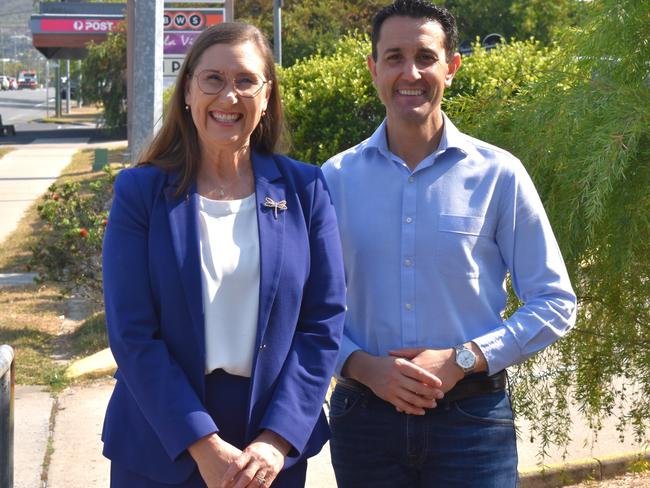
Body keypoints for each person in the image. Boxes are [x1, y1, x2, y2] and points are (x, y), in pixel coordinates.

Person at [322, 1, 577, 486]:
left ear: (452, 67)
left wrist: (464, 358)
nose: (409, 72)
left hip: (472, 424)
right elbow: (307, 306)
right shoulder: (334, 179)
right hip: (363, 422)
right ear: (373, 68)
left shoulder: (500, 175)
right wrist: (361, 365)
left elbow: (554, 302)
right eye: (394, 57)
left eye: (425, 56)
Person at [101, 22, 346, 488]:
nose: (228, 96)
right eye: (212, 79)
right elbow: (132, 333)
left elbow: (322, 323)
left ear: (267, 95)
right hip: (161, 440)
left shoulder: (306, 190)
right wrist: (202, 444)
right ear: (189, 91)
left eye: (245, 81)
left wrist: (278, 439)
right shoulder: (140, 193)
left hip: (270, 448)